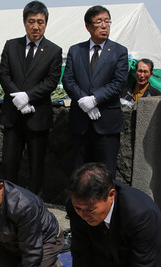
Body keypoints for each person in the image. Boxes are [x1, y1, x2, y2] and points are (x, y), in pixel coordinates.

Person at [0, 1, 63, 198]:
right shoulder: (11, 45)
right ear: (25, 22)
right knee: (9, 161)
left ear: (46, 24)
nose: (36, 26)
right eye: (31, 21)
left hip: (37, 117)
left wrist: (27, 97)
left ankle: (34, 200)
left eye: (40, 22)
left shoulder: (54, 50)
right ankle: (8, 198)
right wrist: (16, 96)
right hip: (12, 115)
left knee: (36, 163)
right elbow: (4, 74)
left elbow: (51, 81)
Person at [62, 5, 128, 179]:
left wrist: (95, 99)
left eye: (107, 21)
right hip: (81, 121)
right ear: (88, 26)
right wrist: (84, 101)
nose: (104, 26)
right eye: (99, 22)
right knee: (80, 171)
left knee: (106, 173)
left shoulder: (119, 51)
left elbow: (118, 82)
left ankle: (108, 206)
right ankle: (79, 206)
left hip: (106, 121)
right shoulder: (76, 50)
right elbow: (68, 80)